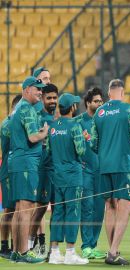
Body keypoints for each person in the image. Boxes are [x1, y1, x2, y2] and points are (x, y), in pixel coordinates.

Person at [90, 79, 130, 265]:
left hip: (104, 165)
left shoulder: (100, 112)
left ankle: (112, 250)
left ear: (109, 92)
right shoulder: (128, 110)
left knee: (110, 206)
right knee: (125, 205)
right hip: (123, 163)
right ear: (123, 92)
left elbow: (92, 143)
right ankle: (113, 252)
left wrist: (104, 152)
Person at [9, 76, 48, 263]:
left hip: (17, 162)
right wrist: (44, 133)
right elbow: (33, 137)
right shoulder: (27, 109)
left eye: (41, 89)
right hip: (26, 162)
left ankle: (16, 251)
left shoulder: (19, 109)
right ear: (26, 90)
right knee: (26, 210)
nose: (40, 92)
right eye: (37, 89)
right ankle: (24, 252)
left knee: (18, 209)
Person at [47, 93, 88, 265]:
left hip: (58, 176)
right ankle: (70, 252)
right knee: (73, 212)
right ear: (71, 108)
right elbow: (81, 151)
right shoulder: (75, 126)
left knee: (57, 213)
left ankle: (54, 253)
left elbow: (49, 151)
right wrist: (84, 140)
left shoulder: (53, 127)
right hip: (73, 175)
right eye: (75, 105)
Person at [75, 87, 106, 260]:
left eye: (101, 101)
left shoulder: (104, 121)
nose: (99, 104)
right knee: (87, 208)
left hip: (102, 171)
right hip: (85, 171)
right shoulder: (78, 122)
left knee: (99, 210)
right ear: (88, 103)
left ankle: (93, 245)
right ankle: (86, 246)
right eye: (96, 101)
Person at [29, 83, 58, 257]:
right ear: (43, 99)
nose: (53, 101)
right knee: (39, 210)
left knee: (57, 210)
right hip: (44, 170)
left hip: (58, 171)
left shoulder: (57, 119)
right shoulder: (38, 118)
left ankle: (53, 251)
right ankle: (29, 246)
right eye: (49, 98)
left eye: (55, 98)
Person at [0, 94, 22, 259]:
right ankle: (6, 246)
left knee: (15, 208)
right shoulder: (7, 123)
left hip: (14, 168)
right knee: (9, 209)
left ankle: (14, 245)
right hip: (8, 169)